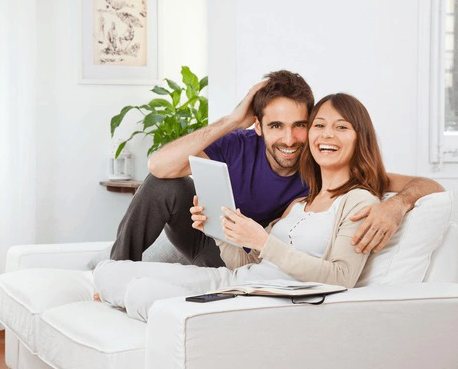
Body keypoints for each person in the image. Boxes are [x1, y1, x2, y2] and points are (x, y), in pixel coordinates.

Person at [94, 93, 389, 321]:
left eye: (341, 127)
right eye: (320, 126)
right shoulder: (300, 203)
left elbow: (341, 278)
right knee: (107, 272)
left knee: (143, 291)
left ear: (359, 137)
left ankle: (156, 309)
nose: (326, 135)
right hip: (233, 279)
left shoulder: (360, 202)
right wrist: (221, 230)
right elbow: (251, 263)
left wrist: (262, 240)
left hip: (257, 296)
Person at [109, 70, 444, 268]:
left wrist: (396, 205)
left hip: (251, 261)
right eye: (276, 126)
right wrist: (230, 120)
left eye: (300, 125)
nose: (289, 139)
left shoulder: (325, 163)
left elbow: (427, 184)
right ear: (258, 126)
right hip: (208, 242)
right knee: (167, 184)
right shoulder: (238, 143)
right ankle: (114, 272)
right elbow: (158, 167)